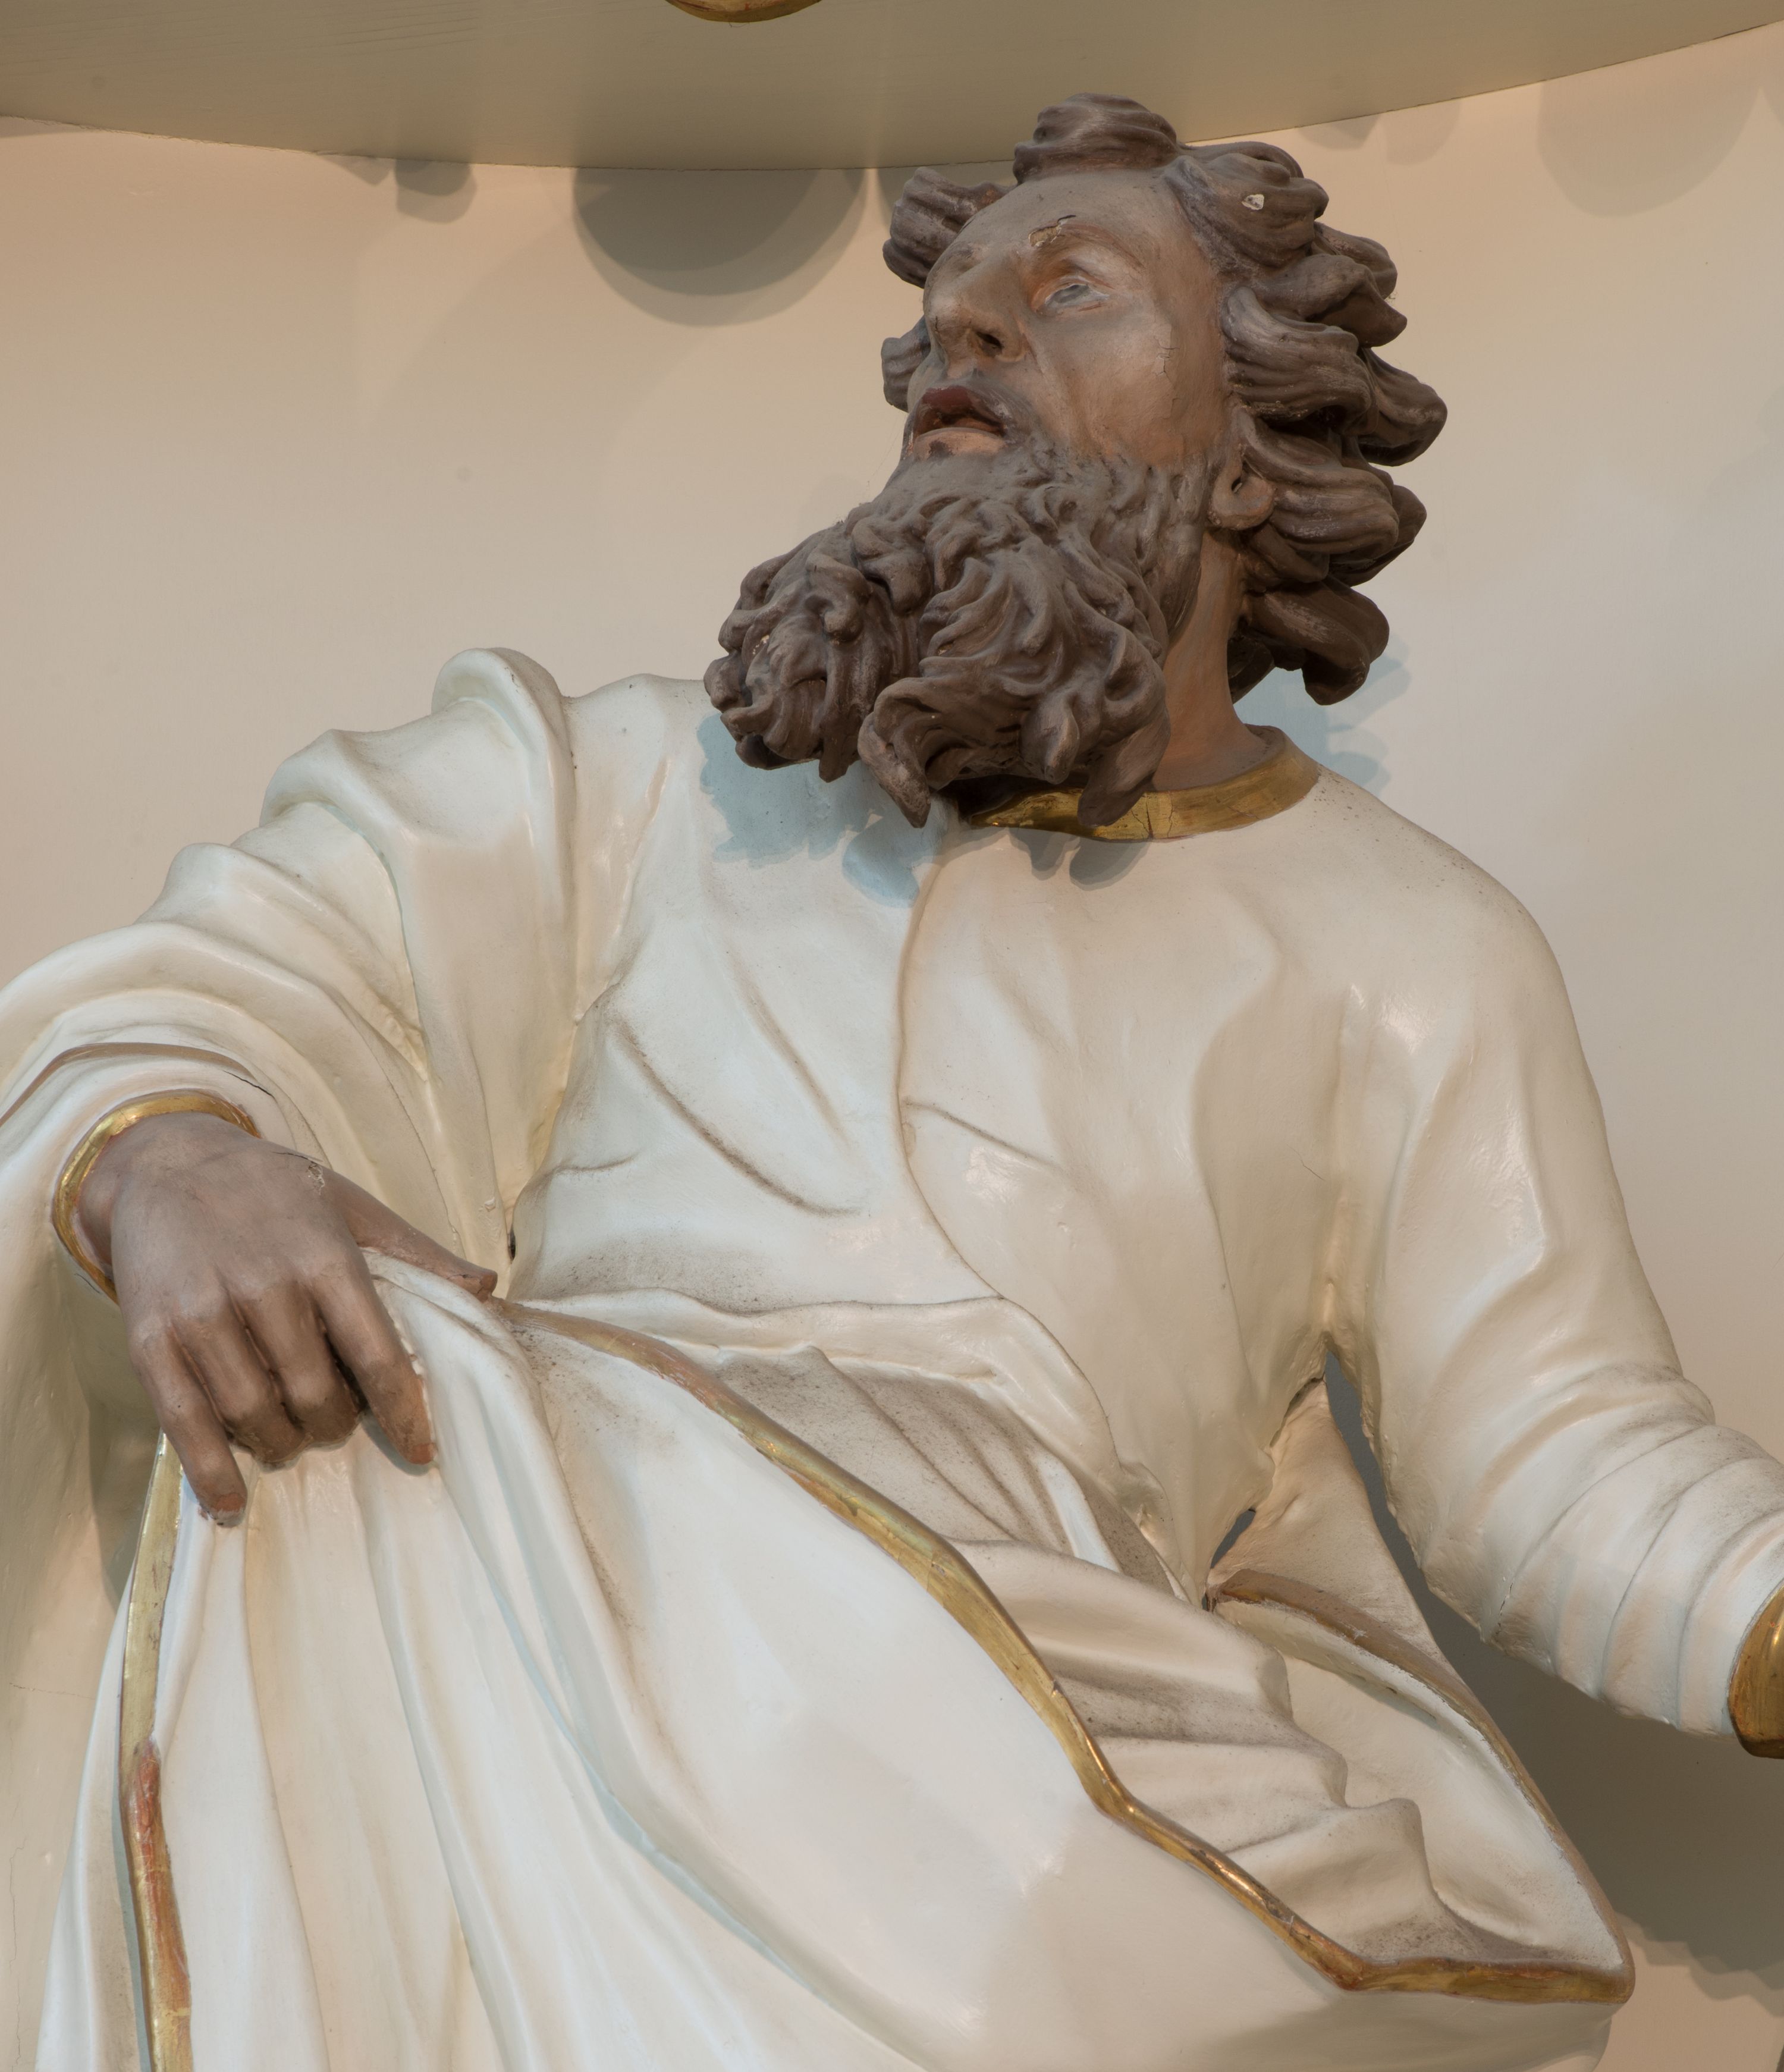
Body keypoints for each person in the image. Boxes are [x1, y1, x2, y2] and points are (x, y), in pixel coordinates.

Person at [5, 92, 1781, 2072]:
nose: (967, 334)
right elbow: (239, 972)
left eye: (1071, 291)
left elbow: (1555, 1442)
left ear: (1248, 450)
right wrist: (165, 1150)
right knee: (333, 1460)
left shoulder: (1403, 945)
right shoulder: (631, 787)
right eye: (943, 315)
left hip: (1045, 1743)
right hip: (546, 1611)